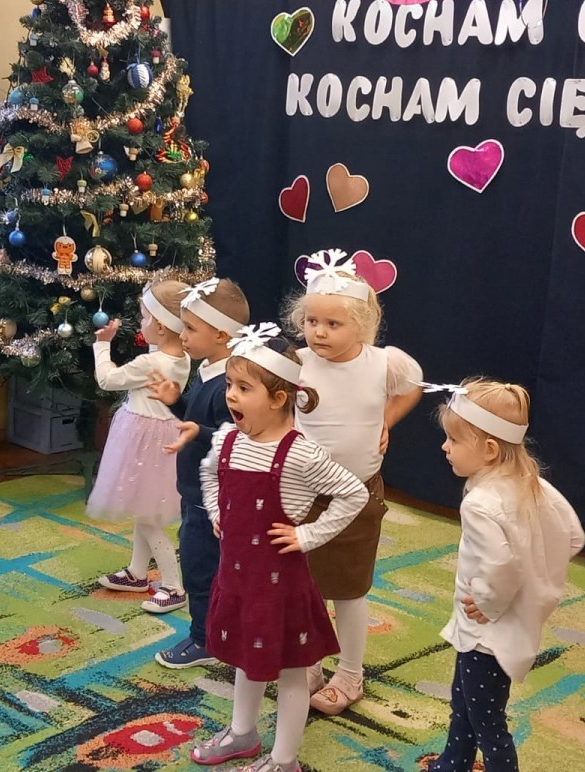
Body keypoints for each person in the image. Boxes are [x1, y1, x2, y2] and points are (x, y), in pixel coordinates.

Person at [189, 323, 368, 772]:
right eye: (230, 385)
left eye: (243, 388)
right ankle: (243, 733)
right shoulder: (228, 439)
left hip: (279, 588)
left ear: (278, 398)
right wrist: (216, 512)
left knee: (290, 673)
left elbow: (354, 493)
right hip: (237, 579)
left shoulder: (301, 454)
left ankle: (284, 759)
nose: (230, 396)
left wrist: (308, 536)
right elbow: (209, 473)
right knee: (245, 659)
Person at [282, 248, 424, 713]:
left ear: (362, 326)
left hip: (357, 496)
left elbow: (413, 386)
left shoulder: (385, 363)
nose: (319, 332)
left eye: (333, 324)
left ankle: (350, 674)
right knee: (302, 586)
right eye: (312, 321)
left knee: (348, 590)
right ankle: (308, 661)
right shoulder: (295, 361)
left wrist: (386, 420)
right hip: (300, 496)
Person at [420, 378, 584, 772]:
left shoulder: (479, 503)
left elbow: (501, 565)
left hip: (486, 634)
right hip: (501, 626)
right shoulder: (533, 485)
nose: (444, 447)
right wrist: (538, 573)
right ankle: (454, 761)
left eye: (454, 440)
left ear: (490, 450)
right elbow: (574, 536)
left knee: (488, 722)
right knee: (465, 701)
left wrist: (489, 603)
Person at [147, 277, 249, 668]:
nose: (182, 335)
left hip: (212, 496)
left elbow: (237, 437)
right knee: (205, 564)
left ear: (221, 334)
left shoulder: (230, 383)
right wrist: (177, 403)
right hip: (196, 490)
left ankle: (205, 640)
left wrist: (199, 433)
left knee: (200, 567)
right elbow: (197, 417)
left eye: (190, 328)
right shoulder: (209, 369)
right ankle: (221, 631)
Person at [87, 281, 192, 613]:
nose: (140, 322)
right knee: (143, 506)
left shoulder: (150, 364)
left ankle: (173, 586)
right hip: (160, 437)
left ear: (160, 326)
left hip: (143, 442)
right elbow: (158, 350)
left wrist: (102, 345)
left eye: (144, 317)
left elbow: (107, 380)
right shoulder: (181, 357)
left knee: (147, 517)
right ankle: (136, 572)